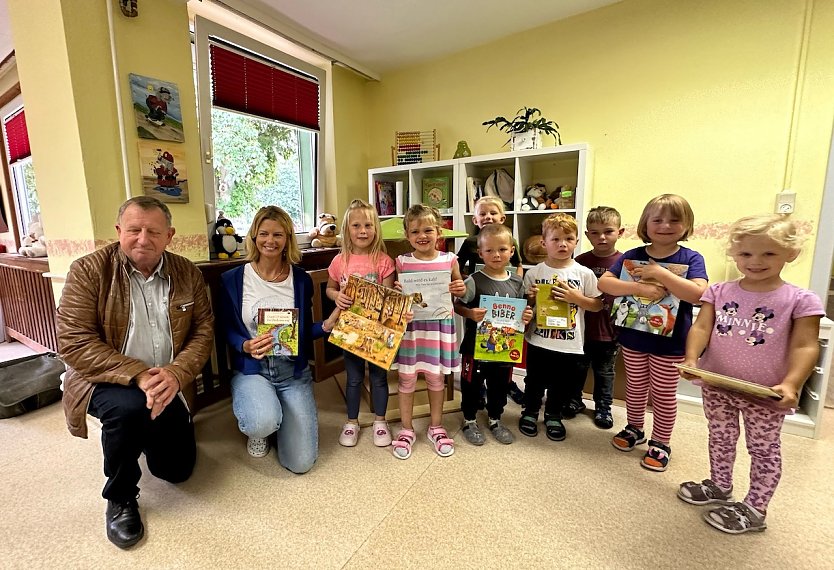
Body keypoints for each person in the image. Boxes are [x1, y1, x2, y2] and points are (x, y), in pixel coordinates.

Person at [56, 196, 214, 549]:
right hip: (104, 377)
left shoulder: (187, 272)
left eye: (153, 231)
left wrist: (176, 373)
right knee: (128, 411)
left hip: (168, 379)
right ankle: (121, 497)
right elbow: (73, 341)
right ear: (118, 231)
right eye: (134, 230)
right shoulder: (88, 271)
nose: (143, 239)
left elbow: (203, 330)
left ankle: (144, 430)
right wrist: (139, 376)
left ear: (169, 235)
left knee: (177, 472)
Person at [677, 214, 823, 534]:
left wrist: (792, 383)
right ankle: (720, 484)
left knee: (763, 449)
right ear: (734, 254)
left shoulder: (801, 299)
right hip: (718, 383)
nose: (755, 261)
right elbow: (702, 327)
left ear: (790, 253)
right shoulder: (719, 291)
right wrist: (691, 358)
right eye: (745, 254)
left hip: (765, 392)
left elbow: (805, 347)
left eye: (768, 253)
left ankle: (756, 508)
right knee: (720, 437)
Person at [219, 206, 336, 469]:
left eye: (278, 235)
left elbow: (302, 333)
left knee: (301, 462)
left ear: (288, 240)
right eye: (263, 234)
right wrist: (244, 344)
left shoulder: (301, 280)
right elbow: (226, 328)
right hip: (253, 370)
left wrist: (327, 326)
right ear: (253, 236)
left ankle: (278, 413)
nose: (270, 241)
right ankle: (261, 425)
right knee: (262, 421)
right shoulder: (233, 279)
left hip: (292, 372)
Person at [598, 194, 708, 472]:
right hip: (633, 336)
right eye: (657, 219)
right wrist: (638, 288)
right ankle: (634, 428)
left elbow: (698, 294)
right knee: (634, 387)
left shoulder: (691, 258)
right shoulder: (632, 255)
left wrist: (660, 274)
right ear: (646, 224)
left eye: (674, 220)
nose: (665, 225)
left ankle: (661, 442)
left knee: (663, 394)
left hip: (671, 345)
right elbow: (605, 283)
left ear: (686, 225)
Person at [392, 204, 466, 459]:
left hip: (438, 329)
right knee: (407, 380)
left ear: (439, 232)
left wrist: (460, 289)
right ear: (407, 235)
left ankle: (436, 426)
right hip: (412, 329)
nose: (422, 236)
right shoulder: (401, 262)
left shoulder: (449, 259)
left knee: (436, 379)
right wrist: (398, 296)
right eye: (415, 232)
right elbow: (395, 297)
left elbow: (459, 290)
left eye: (428, 230)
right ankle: (406, 429)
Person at [521, 213, 602, 441]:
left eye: (568, 238)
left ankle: (553, 415)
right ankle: (530, 412)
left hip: (570, 343)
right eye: (555, 239)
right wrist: (530, 299)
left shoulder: (584, 273)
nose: (562, 244)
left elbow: (597, 305)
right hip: (538, 339)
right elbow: (525, 307)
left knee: (561, 383)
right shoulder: (535, 273)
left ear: (577, 241)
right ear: (544, 242)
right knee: (534, 380)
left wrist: (577, 298)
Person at [455, 223, 533, 445]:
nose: (496, 255)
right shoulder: (473, 281)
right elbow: (458, 306)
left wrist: (526, 316)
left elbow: (523, 312)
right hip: (474, 348)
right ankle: (469, 419)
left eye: (502, 249)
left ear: (511, 251)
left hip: (504, 349)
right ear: (480, 253)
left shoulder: (518, 283)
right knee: (471, 385)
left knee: (499, 386)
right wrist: (470, 313)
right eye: (489, 250)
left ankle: (495, 418)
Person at [326, 199, 395, 447]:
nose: (362, 231)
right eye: (356, 225)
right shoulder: (339, 261)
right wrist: (338, 296)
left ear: (376, 228)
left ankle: (380, 420)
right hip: (350, 329)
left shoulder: (384, 261)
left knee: (378, 378)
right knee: (353, 378)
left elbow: (390, 299)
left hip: (378, 329)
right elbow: (329, 289)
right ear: (347, 230)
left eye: (368, 225)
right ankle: (352, 422)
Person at [456, 195, 526, 405]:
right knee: (477, 348)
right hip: (477, 298)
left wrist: (515, 286)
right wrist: (463, 283)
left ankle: (506, 384)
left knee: (502, 350)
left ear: (502, 218)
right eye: (482, 214)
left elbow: (518, 265)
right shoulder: (470, 241)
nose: (488, 217)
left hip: (505, 298)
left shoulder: (509, 240)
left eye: (493, 213)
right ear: (475, 219)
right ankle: (476, 391)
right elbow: (458, 267)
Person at [573, 206, 624, 429]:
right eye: (594, 232)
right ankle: (574, 401)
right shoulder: (579, 261)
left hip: (609, 330)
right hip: (581, 328)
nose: (601, 237)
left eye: (608, 231)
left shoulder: (626, 262)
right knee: (578, 368)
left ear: (620, 232)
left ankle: (603, 408)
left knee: (604, 371)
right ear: (586, 235)